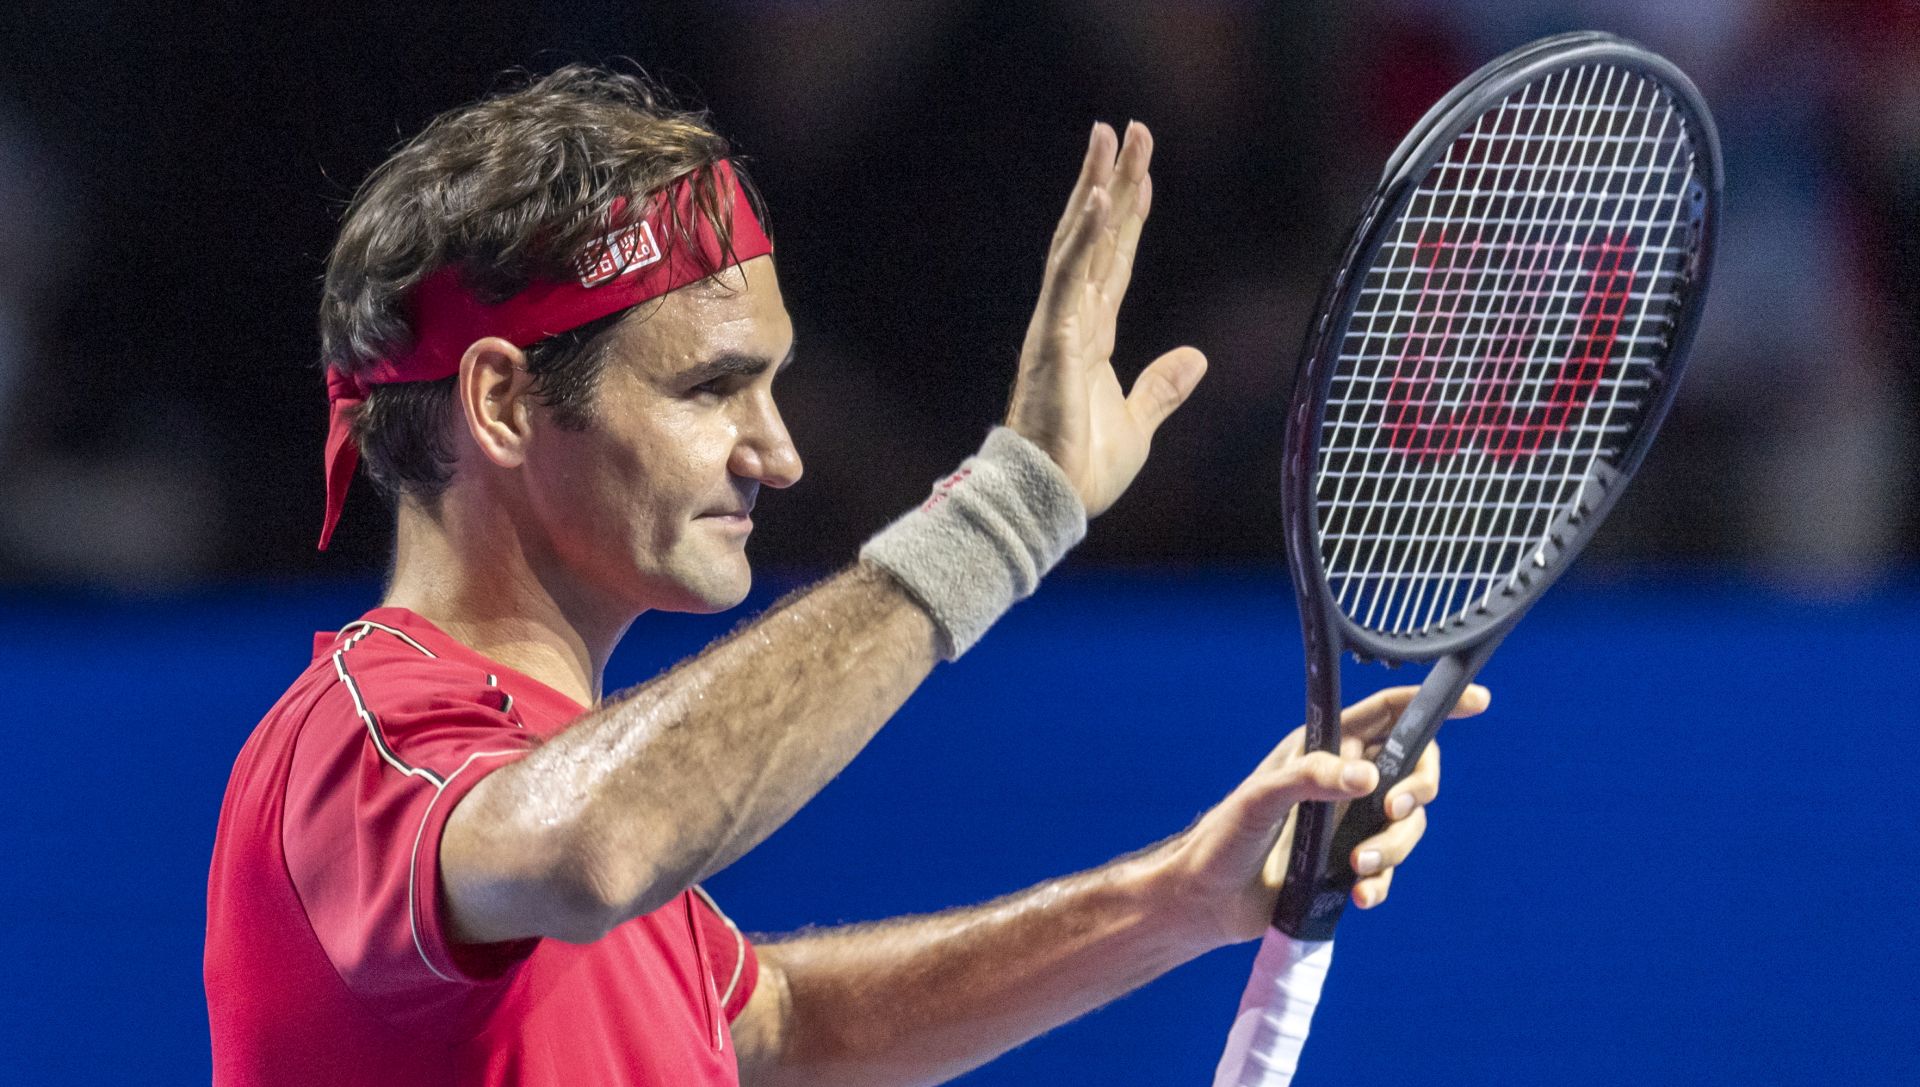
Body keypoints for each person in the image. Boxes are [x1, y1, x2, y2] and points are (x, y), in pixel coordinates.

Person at [204, 66, 1477, 1086]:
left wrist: (1178, 898)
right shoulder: (359, 747)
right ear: (502, 401)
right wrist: (1006, 512)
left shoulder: (562, 792)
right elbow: (597, 847)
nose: (781, 453)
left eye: (773, 383)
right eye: (712, 387)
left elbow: (777, 1028)